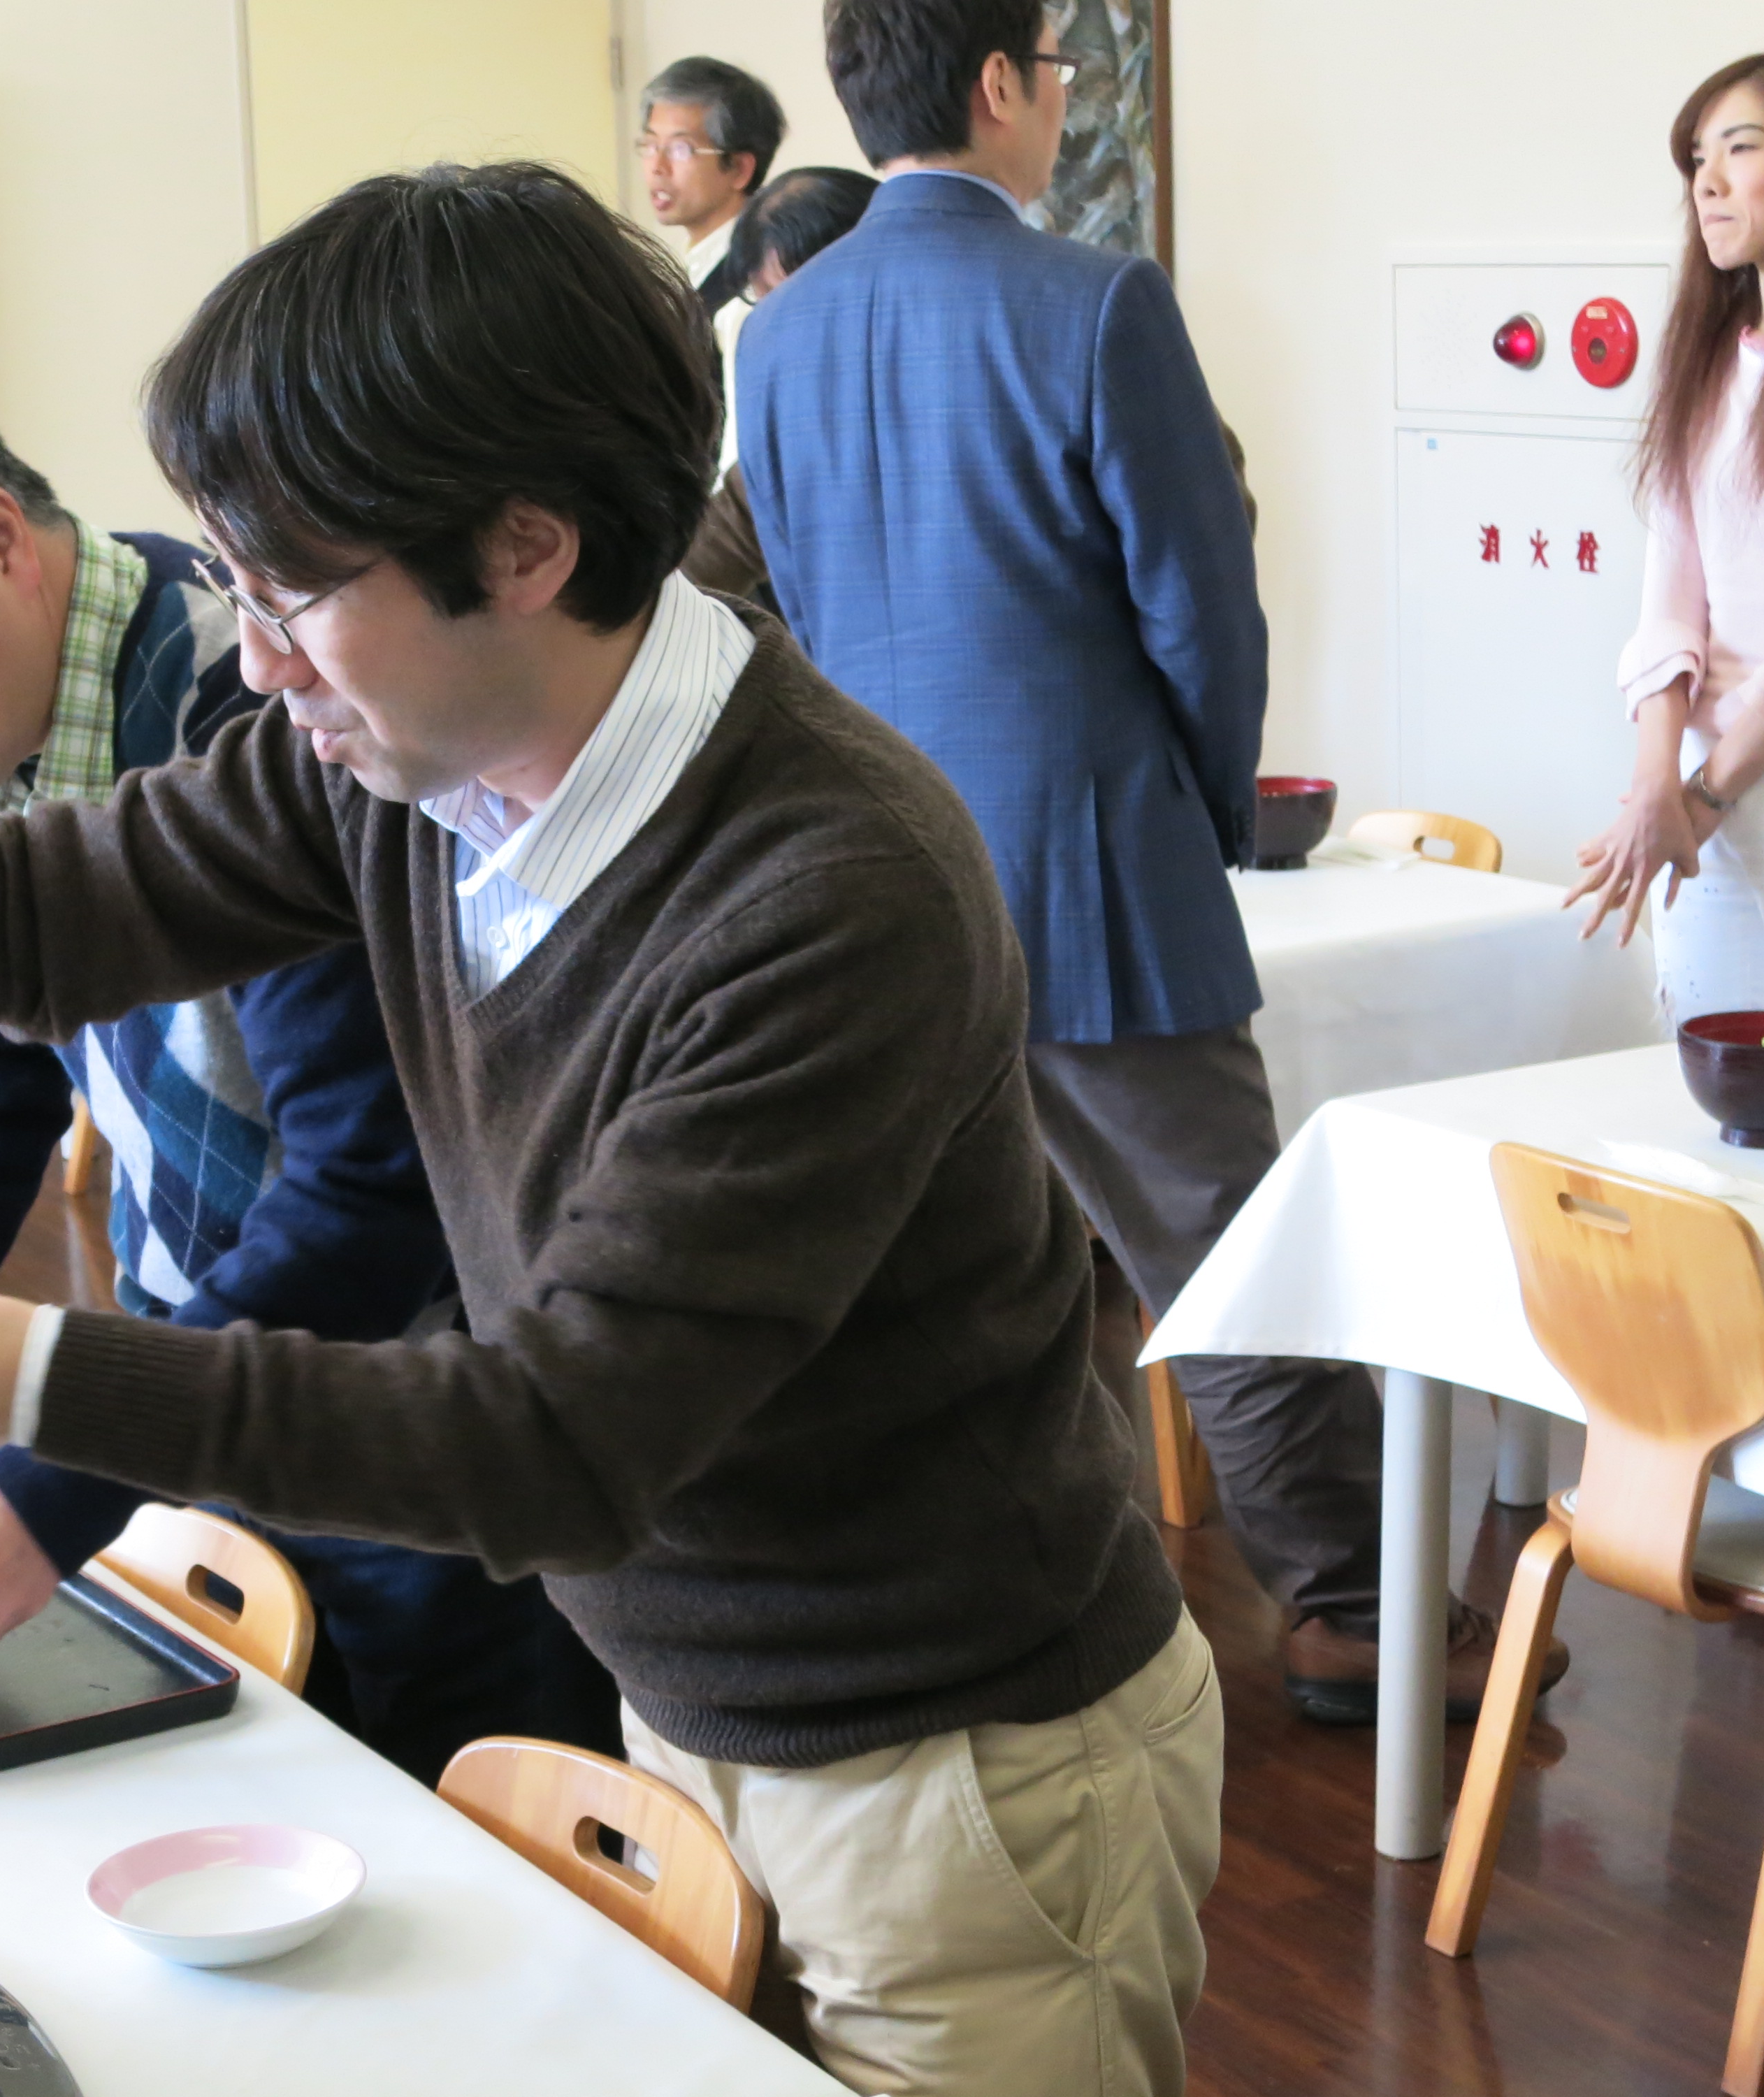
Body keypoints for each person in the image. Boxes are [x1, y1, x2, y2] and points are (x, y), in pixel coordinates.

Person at [0, 163, 1222, 2097]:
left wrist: (41, 1384)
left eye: (290, 590)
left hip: (958, 1761)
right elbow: (66, 896)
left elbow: (561, 1439)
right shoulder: (410, 765)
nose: (256, 656)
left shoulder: (824, 891)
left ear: (525, 548)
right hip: (697, 1693)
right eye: (235, 585)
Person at [739, 0, 1563, 1726]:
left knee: (978, 1277)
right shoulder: (1095, 300)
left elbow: (799, 612)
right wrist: (1196, 810)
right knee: (1230, 1259)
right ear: (996, 84)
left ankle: (1048, 1593)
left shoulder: (783, 330)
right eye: (1052, 70)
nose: (1058, 100)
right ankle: (1358, 1614)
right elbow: (1201, 610)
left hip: (876, 881)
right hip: (1089, 863)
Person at [0, 346, 618, 1782]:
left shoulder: (261, 714)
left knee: (452, 1820)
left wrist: (63, 1460)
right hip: (195, 1388)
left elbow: (374, 1194)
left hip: (413, 1421)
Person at [1566, 50, 1764, 1025]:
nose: (1706, 181)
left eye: (1741, 148)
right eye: (1695, 158)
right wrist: (1656, 784)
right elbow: (1670, 591)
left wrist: (1709, 792)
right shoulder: (1709, 363)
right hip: (1699, 789)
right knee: (1706, 1067)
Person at [680, 167, 881, 605]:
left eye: (792, 304)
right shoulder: (801, 422)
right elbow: (723, 539)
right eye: (765, 304)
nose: (782, 331)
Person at [638, 55, 788, 472]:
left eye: (680, 149)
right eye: (649, 145)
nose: (657, 167)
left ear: (739, 168)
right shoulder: (691, 270)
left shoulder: (756, 282)